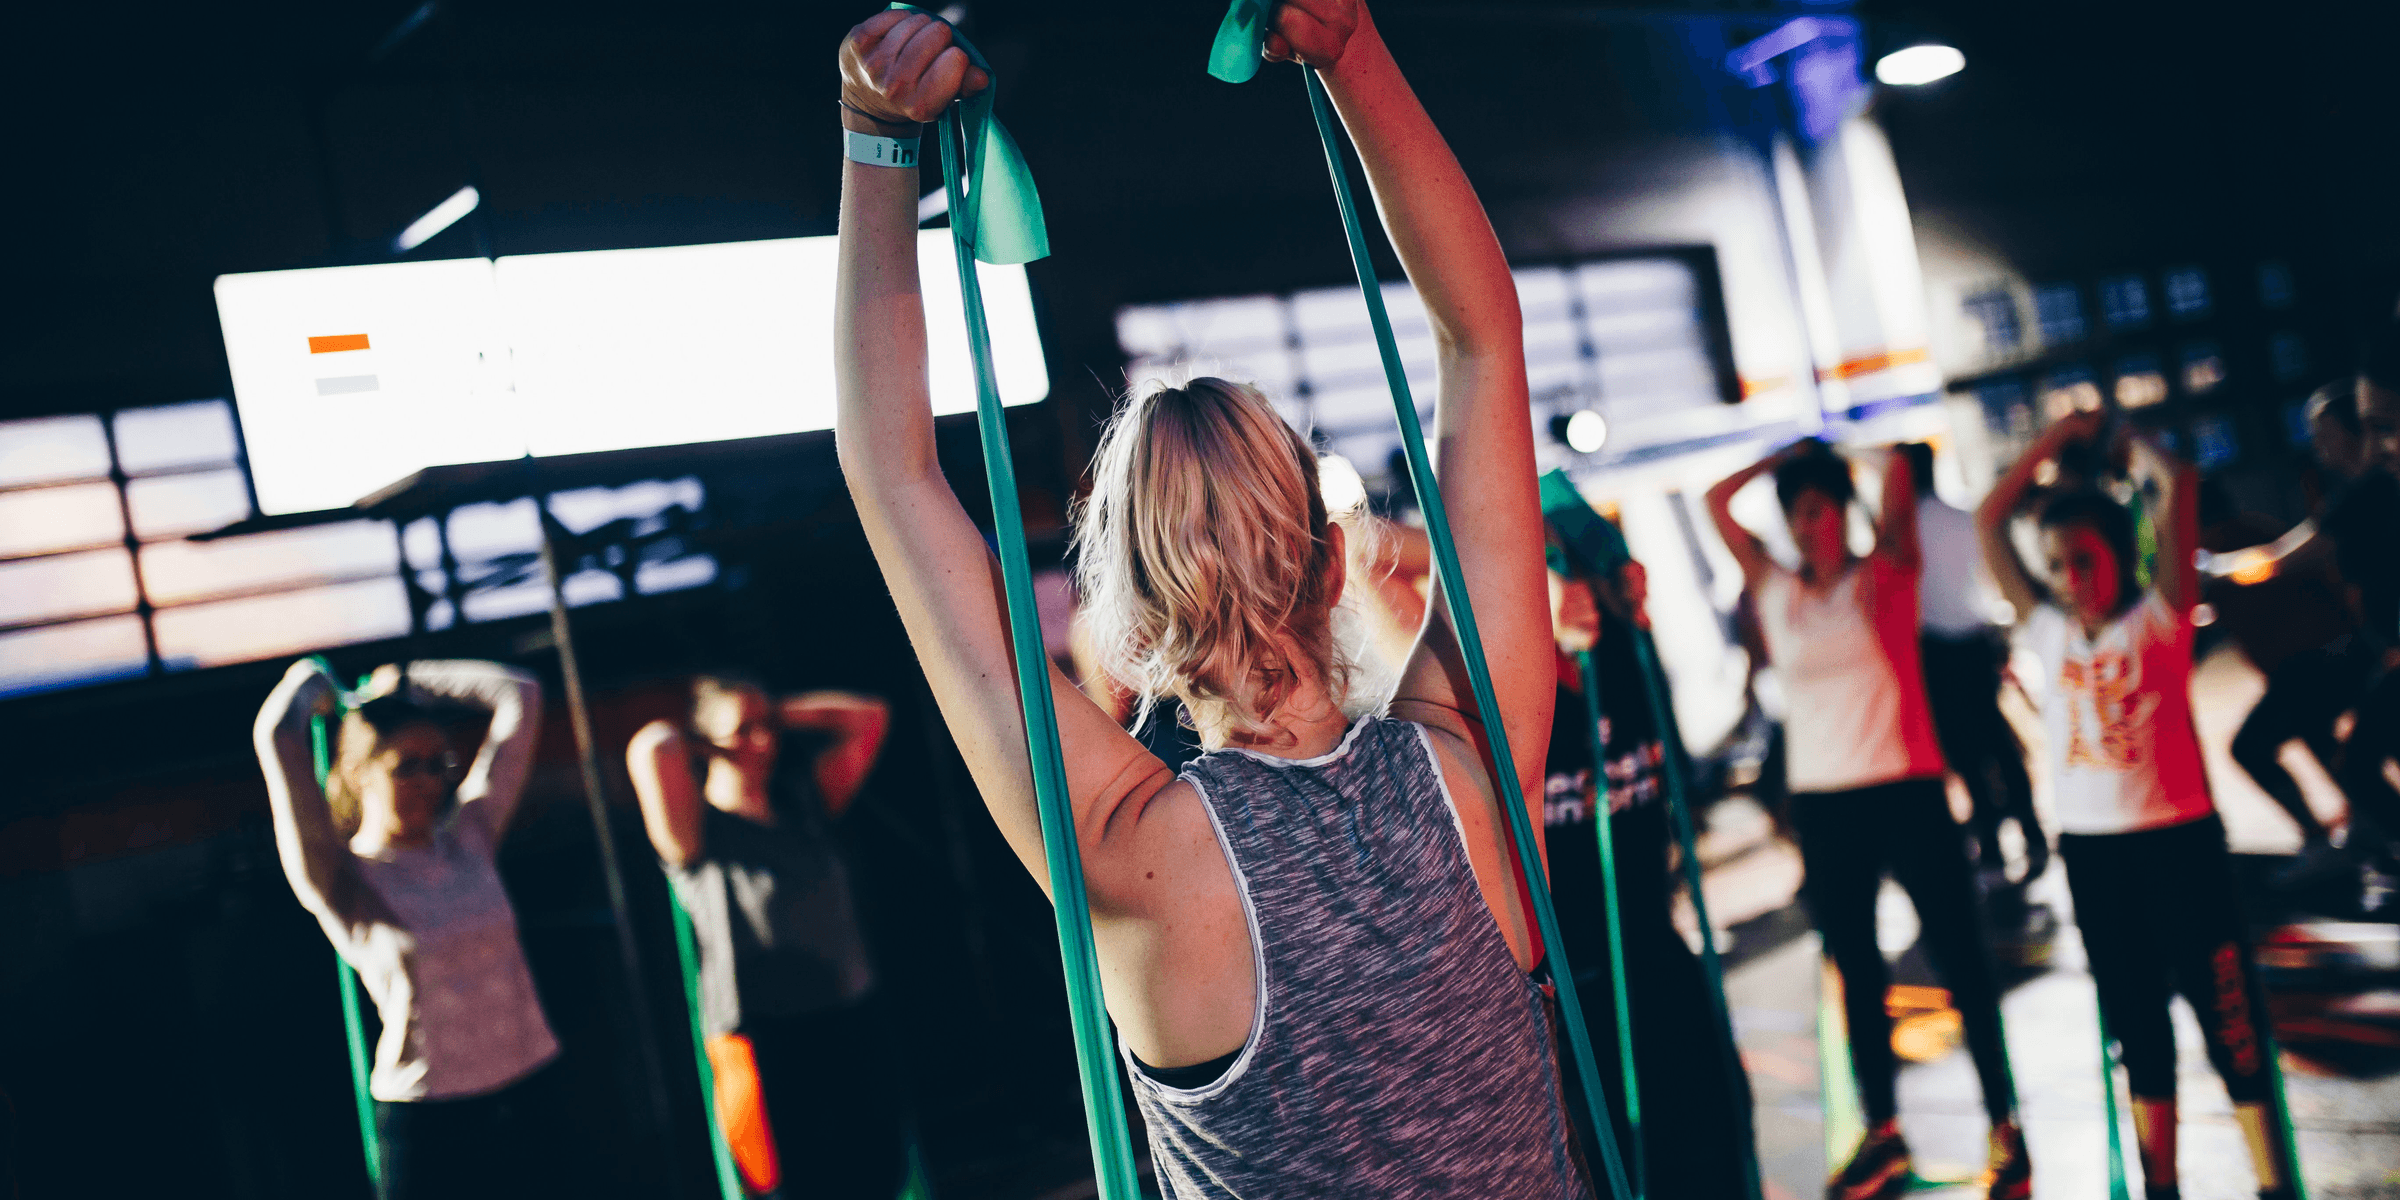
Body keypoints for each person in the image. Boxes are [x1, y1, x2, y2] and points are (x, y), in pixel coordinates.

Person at [833, 3, 1588, 1196]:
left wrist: (875, 141)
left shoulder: (1133, 853)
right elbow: (1483, 339)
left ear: (1130, 632)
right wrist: (1352, 49)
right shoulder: (1472, 763)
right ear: (1335, 566)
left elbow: (894, 477)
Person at [1976, 411, 2294, 1200]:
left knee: (2228, 1019)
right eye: (2057, 565)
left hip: (2180, 846)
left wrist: (2120, 440)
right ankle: (2162, 1185)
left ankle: (2272, 1183)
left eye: (2085, 560)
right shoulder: (2046, 631)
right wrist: (2049, 440)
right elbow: (1990, 518)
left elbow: (2178, 482)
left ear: (2120, 556)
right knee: (2138, 1027)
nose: (2070, 578)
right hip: (2096, 857)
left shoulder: (2160, 619)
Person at [1704, 439, 2028, 1200]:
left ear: (1845, 510)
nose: (1805, 525)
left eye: (1818, 509)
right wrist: (1787, 454)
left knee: (1962, 962)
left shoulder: (1886, 573)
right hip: (1827, 807)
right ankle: (1883, 1133)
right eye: (1795, 513)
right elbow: (1718, 500)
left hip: (1907, 791)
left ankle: (2005, 1127)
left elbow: (1902, 471)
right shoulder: (1776, 590)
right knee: (1855, 973)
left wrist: (1839, 448)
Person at [252, 658, 562, 1200]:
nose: (429, 783)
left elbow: (523, 694)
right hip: (432, 1120)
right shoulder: (341, 875)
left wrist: (409, 678)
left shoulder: (468, 837)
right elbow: (277, 736)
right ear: (360, 772)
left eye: (438, 765)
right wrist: (309, 683)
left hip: (529, 1091)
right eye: (406, 767)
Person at [627, 678, 903, 1199]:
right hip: (764, 1036)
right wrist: (709, 739)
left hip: (849, 1018)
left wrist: (777, 711)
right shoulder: (697, 833)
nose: (763, 741)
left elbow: (870, 717)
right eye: (744, 730)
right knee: (795, 1186)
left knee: (875, 1175)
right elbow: (652, 747)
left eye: (768, 728)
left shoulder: (805, 803)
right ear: (705, 741)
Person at [1544, 527, 1757, 1200]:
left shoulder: (1626, 656)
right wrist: (1535, 589)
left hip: (1655, 949)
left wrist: (1622, 591)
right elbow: (1380, 561)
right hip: (1570, 988)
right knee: (1623, 1165)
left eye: (1569, 568)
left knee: (1722, 1124)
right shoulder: (1495, 687)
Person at [2199, 380, 2378, 860]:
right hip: (2341, 653)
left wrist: (2212, 568)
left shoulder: (2364, 494)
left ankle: (2340, 841)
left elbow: (2275, 564)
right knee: (2337, 749)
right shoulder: (2295, 513)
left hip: (2328, 659)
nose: (2317, 448)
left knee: (2260, 747)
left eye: (2324, 435)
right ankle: (2366, 836)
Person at [1898, 442, 2045, 886]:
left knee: (1965, 751)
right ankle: (2033, 833)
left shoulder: (1903, 530)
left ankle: (1993, 848)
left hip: (1936, 652)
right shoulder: (1961, 518)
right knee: (1997, 740)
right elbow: (1986, 581)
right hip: (1976, 640)